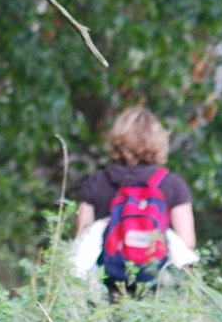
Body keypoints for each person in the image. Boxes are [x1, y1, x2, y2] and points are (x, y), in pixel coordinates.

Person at [74, 106, 196, 298]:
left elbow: (82, 236)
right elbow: (187, 242)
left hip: (105, 289)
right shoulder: (173, 185)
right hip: (157, 289)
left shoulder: (95, 183)